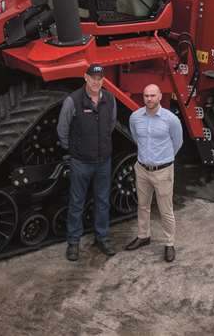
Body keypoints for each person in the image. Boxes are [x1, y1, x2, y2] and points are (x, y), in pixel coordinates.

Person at [56, 64, 118, 261]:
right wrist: (75, 149)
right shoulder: (72, 101)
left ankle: (102, 237)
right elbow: (62, 130)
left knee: (102, 201)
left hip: (103, 161)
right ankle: (73, 243)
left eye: (99, 79)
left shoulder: (109, 99)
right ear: (85, 77)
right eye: (92, 78)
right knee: (76, 203)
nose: (96, 82)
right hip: (81, 162)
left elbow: (111, 124)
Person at [124, 84, 183, 262]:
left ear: (159, 97)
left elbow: (177, 142)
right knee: (142, 205)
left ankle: (169, 243)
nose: (149, 99)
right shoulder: (135, 117)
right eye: (146, 96)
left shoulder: (171, 120)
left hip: (163, 171)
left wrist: (164, 159)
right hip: (142, 169)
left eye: (152, 95)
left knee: (166, 210)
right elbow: (136, 137)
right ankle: (143, 236)